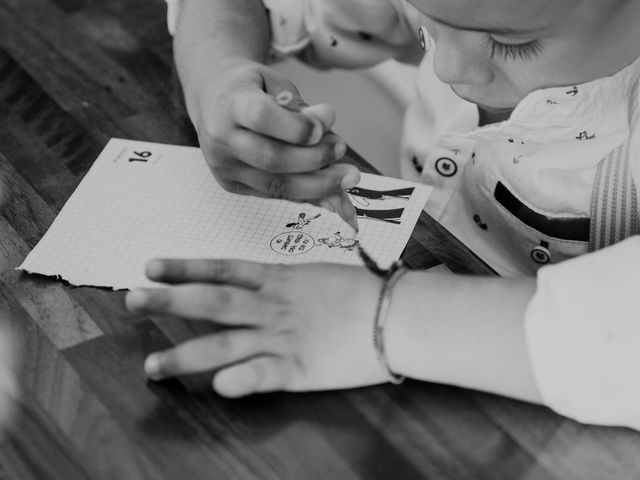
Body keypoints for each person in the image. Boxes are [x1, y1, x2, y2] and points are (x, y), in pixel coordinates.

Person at [125, 0, 640, 430]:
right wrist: (217, 76)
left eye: (511, 44)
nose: (447, 68)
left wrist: (381, 316)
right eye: (426, 21)